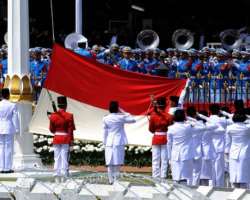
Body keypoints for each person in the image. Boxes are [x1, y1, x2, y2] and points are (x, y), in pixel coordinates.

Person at [103, 101, 136, 184]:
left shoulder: (105, 118)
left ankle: (111, 180)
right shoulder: (120, 117)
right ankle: (116, 181)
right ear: (117, 108)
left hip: (109, 142)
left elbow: (104, 132)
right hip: (118, 141)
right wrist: (123, 111)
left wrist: (104, 142)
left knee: (109, 162)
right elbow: (133, 119)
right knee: (117, 162)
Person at [49, 96, 75, 182]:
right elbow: (70, 130)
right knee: (64, 157)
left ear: (58, 105)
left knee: (57, 157)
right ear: (66, 105)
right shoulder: (69, 115)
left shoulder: (53, 116)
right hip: (65, 138)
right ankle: (64, 173)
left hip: (57, 137)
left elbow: (51, 130)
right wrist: (71, 141)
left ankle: (56, 173)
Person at [149, 97, 173, 179]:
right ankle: (163, 176)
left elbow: (151, 129)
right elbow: (170, 128)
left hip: (156, 138)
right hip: (165, 138)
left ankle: (155, 176)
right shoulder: (169, 116)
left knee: (155, 159)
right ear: (165, 105)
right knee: (164, 159)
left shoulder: (153, 115)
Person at [226, 111, 250, 188]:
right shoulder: (247, 128)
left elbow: (227, 143)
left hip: (233, 153)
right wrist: (247, 116)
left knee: (234, 176)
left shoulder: (229, 128)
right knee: (243, 177)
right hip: (244, 153)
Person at [0, 88, 19, 173]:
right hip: (8, 127)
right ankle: (7, 168)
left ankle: (1, 167)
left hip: (0, 126)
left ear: (1, 95)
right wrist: (17, 128)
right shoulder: (12, 105)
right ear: (8, 95)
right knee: (8, 147)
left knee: (1, 147)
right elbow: (15, 118)